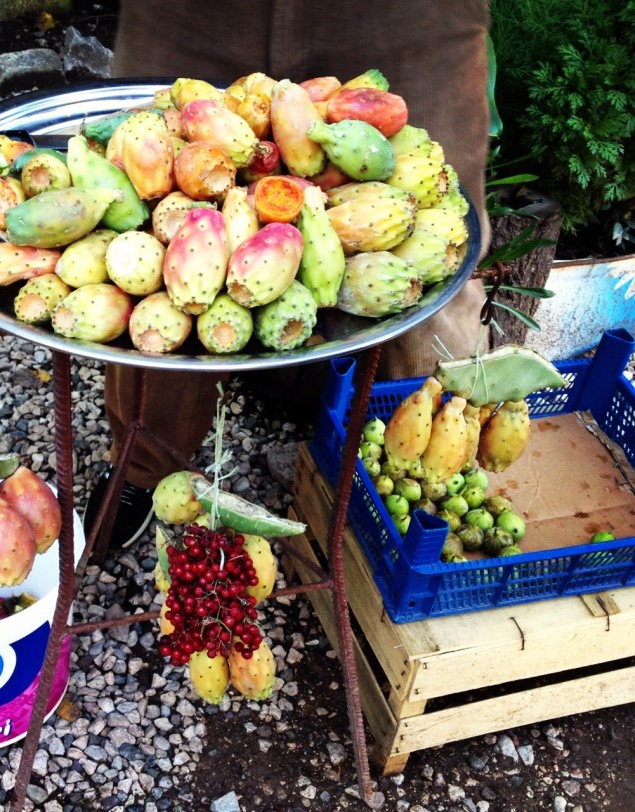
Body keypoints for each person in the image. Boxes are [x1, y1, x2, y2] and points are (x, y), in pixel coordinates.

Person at [84, 0, 492, 547]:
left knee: (432, 248)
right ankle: (143, 460)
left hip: (403, 18)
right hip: (198, 16)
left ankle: (425, 478)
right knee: (163, 233)